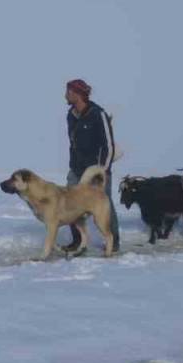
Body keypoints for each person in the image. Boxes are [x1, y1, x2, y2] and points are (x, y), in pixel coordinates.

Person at [63, 79, 119, 252]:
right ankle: (79, 242)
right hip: (76, 170)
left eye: (68, 92)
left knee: (104, 205)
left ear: (78, 94)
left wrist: (104, 170)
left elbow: (109, 145)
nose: (65, 95)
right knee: (70, 204)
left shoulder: (97, 113)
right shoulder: (71, 115)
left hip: (96, 171)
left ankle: (113, 243)